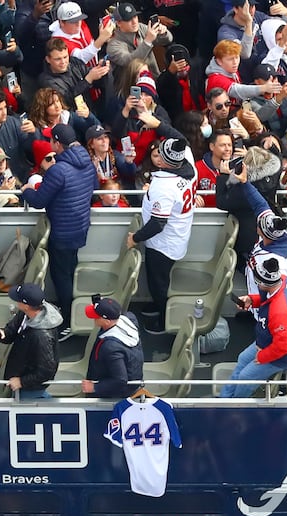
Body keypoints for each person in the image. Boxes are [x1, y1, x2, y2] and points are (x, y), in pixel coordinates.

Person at [18, 123, 95, 319]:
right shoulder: (87, 162)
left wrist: (26, 190)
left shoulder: (58, 170)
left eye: (50, 139)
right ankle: (71, 313)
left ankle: (67, 318)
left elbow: (38, 201)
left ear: (57, 143)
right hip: (81, 226)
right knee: (69, 271)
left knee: (61, 277)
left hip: (62, 232)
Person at [127, 126, 195, 334]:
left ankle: (165, 321)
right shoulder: (189, 165)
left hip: (164, 244)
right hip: (178, 234)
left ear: (164, 160)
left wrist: (135, 238)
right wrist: (156, 122)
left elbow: (158, 223)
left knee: (159, 284)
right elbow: (180, 138)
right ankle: (158, 307)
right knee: (158, 280)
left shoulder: (163, 187)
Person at [219, 253, 287, 398]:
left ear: (264, 283)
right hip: (269, 340)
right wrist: (252, 300)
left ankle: (235, 405)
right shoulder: (282, 281)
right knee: (243, 358)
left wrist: (262, 356)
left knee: (245, 377)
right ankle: (224, 399)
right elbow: (267, 299)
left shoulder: (280, 313)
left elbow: (283, 347)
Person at [0, 283, 62, 401]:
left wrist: (21, 382)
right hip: (20, 374)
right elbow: (13, 329)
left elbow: (46, 370)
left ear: (26, 305)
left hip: (30, 388)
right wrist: (4, 334)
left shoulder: (41, 336)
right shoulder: (25, 314)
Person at [81, 297, 143, 398]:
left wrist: (95, 387)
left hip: (114, 394)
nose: (94, 318)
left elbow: (120, 380)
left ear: (107, 322)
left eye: (96, 317)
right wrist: (101, 305)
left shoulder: (111, 348)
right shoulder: (130, 319)